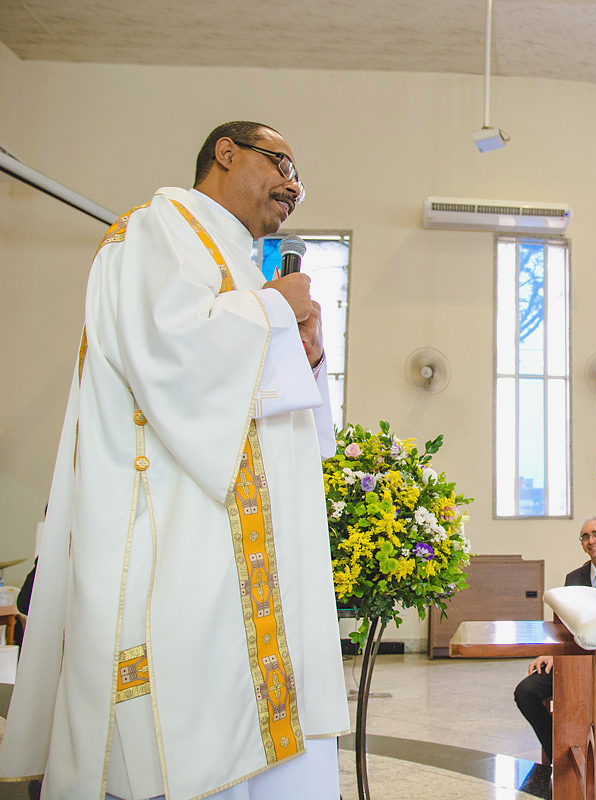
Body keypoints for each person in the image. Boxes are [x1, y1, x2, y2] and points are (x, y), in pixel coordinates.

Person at [0, 122, 350, 800]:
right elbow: (166, 352)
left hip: (256, 553)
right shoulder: (154, 231)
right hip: (182, 531)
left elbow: (285, 420)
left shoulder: (249, 267)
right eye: (280, 163)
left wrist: (305, 351)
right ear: (226, 153)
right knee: (192, 742)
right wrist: (274, 312)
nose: (293, 184)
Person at [513, 517, 596, 763]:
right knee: (526, 692)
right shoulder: (573, 578)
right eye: (585, 536)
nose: (591, 540)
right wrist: (552, 652)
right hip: (578, 663)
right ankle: (562, 754)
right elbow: (564, 625)